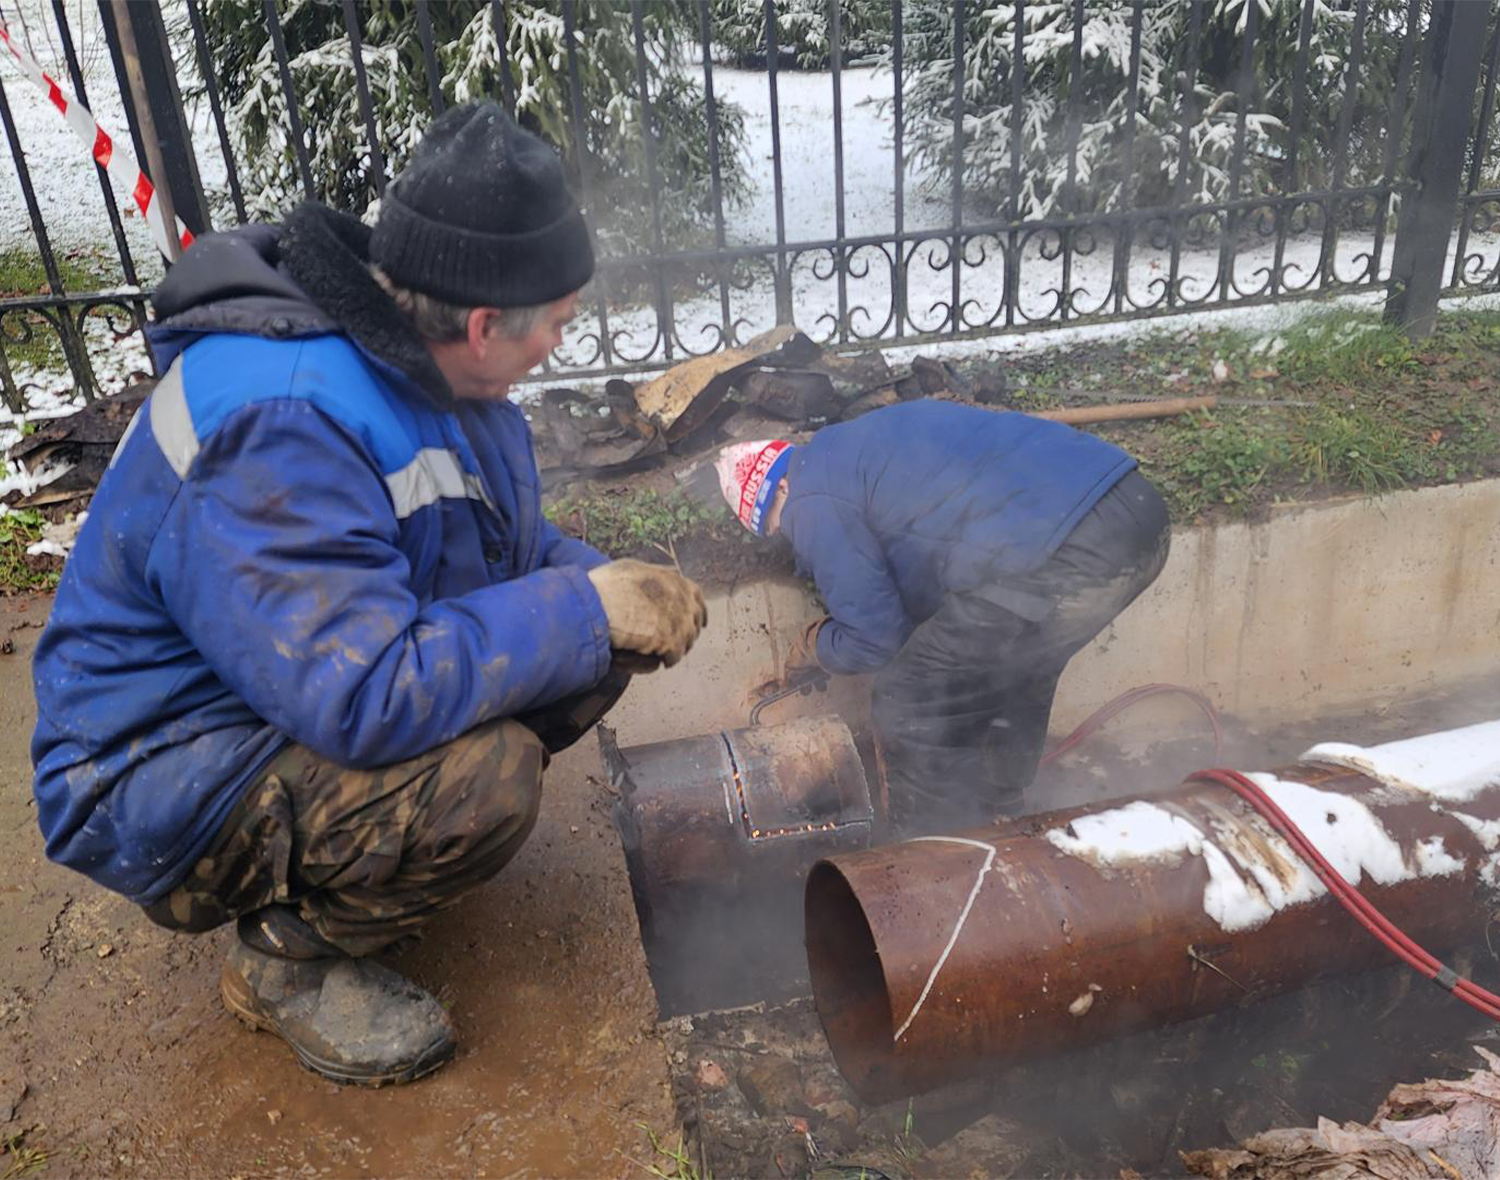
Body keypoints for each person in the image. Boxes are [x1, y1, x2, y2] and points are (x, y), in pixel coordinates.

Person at [31, 102, 706, 1086]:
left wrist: (590, 580)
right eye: (557, 322)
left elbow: (480, 544)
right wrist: (582, 608)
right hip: (157, 766)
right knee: (490, 774)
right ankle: (283, 961)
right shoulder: (281, 423)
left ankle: (363, 855)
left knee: (592, 647)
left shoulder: (417, 361)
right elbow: (364, 694)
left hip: (277, 689)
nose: (561, 342)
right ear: (483, 323)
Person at [715, 399, 1169, 834]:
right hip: (1135, 519)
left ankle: (934, 856)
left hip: (1061, 553)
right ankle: (1003, 809)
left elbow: (877, 639)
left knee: (908, 696)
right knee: (1019, 663)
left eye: (774, 525)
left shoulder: (810, 499)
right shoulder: (858, 448)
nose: (786, 534)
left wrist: (816, 646)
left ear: (780, 490)